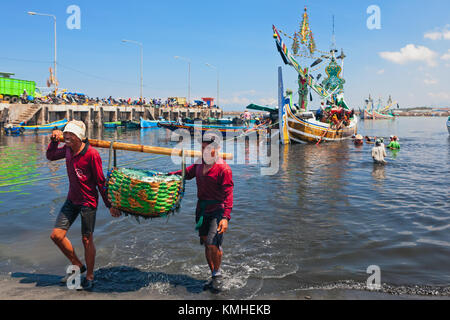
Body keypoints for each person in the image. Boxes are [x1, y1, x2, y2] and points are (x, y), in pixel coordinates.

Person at [47, 120, 121, 290]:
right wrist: (53, 141)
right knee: (56, 236)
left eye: (71, 135)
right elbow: (50, 156)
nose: (67, 137)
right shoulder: (66, 149)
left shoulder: (92, 155)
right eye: (65, 134)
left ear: (80, 137)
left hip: (88, 202)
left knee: (86, 239)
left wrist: (110, 205)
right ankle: (77, 264)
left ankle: (90, 275)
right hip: (71, 199)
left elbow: (101, 182)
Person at [169, 136, 233, 293]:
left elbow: (228, 195)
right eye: (202, 148)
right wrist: (169, 175)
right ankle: (213, 273)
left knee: (213, 243)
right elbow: (187, 173)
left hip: (217, 209)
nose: (204, 151)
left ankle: (217, 275)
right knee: (205, 242)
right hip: (201, 209)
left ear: (216, 149)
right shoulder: (199, 163)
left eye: (207, 148)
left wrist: (225, 217)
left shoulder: (223, 169)